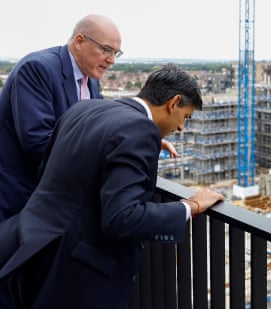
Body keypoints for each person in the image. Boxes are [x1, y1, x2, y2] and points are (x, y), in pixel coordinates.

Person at [0, 63, 225, 309]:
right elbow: (122, 217)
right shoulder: (139, 131)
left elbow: (51, 168)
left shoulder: (87, 108)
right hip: (77, 274)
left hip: (33, 244)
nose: (181, 127)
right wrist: (190, 206)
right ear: (173, 103)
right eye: (186, 117)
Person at [0, 14, 177, 308]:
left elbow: (98, 127)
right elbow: (37, 140)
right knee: (13, 282)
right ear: (79, 41)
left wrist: (140, 139)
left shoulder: (90, 80)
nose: (111, 60)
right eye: (106, 50)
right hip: (21, 195)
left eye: (116, 53)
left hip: (51, 206)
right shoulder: (38, 69)